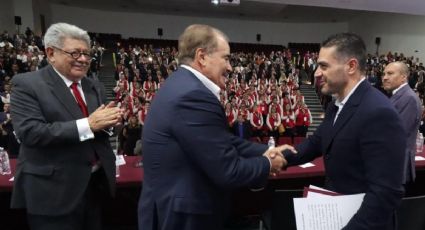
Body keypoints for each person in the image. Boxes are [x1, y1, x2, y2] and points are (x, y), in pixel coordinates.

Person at [138, 24, 296, 230]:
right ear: (202, 57)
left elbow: (221, 140)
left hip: (171, 207)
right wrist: (267, 164)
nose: (230, 67)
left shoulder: (179, 84)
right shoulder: (193, 96)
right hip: (185, 216)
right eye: (226, 58)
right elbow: (228, 171)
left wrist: (265, 150)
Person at [284, 33, 406, 230]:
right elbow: (313, 144)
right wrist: (274, 158)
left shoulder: (378, 112)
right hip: (339, 214)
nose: (316, 73)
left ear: (351, 66)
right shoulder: (336, 105)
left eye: (324, 66)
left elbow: (385, 193)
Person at [10, 23, 123, 230]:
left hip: (95, 188)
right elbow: (31, 133)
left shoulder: (93, 85)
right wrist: (89, 124)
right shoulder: (27, 84)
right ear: (51, 53)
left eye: (87, 54)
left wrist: (111, 123)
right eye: (75, 53)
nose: (83, 59)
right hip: (54, 194)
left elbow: (102, 127)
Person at [382, 61, 423, 184]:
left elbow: (397, 135)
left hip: (395, 164)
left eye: (390, 73)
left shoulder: (408, 98)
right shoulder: (400, 95)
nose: (384, 77)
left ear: (403, 77)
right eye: (384, 74)